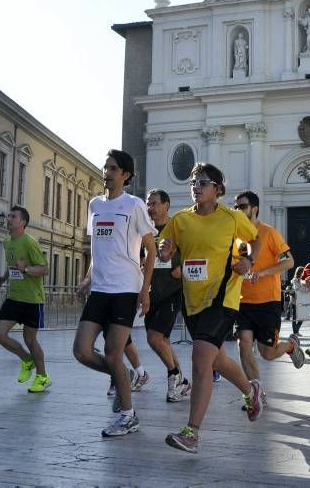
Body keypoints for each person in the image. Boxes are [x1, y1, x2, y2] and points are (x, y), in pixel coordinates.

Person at [159, 163, 263, 454]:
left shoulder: (232, 218)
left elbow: (254, 238)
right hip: (193, 302)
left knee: (201, 358)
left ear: (218, 190)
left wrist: (249, 261)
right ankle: (250, 390)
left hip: (223, 298)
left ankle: (191, 432)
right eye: (193, 182)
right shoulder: (180, 220)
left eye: (203, 182)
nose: (196, 186)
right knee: (217, 360)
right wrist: (166, 251)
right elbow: (167, 249)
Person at [72, 149, 157, 438]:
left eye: (112, 168)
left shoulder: (134, 205)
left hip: (124, 289)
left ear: (126, 174)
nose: (106, 172)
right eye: (105, 167)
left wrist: (145, 291)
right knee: (81, 351)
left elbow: (151, 249)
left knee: (112, 352)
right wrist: (87, 278)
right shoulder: (95, 205)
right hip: (99, 289)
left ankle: (128, 415)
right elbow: (98, 249)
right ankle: (125, 376)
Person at [233, 191, 303, 406]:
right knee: (244, 345)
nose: (238, 210)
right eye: (236, 207)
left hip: (268, 302)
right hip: (242, 300)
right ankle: (255, 392)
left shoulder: (269, 232)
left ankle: (290, 346)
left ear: (254, 209)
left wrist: (262, 273)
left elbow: (289, 262)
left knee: (268, 354)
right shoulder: (235, 236)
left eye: (242, 206)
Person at [0, 206, 50, 393]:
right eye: (8, 216)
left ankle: (42, 376)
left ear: (22, 222)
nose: (8, 219)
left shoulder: (29, 242)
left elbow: (44, 269)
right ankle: (27, 359)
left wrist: (25, 270)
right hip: (14, 297)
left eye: (13, 216)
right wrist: (3, 278)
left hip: (32, 300)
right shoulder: (7, 241)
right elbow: (13, 266)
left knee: (30, 339)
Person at [144, 188, 190, 403]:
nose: (150, 208)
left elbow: (193, 251)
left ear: (166, 205)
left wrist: (181, 266)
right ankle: (182, 381)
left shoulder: (178, 228)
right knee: (162, 341)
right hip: (151, 292)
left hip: (172, 291)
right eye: (148, 203)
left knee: (154, 338)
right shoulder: (145, 229)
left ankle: (174, 376)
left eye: (154, 203)